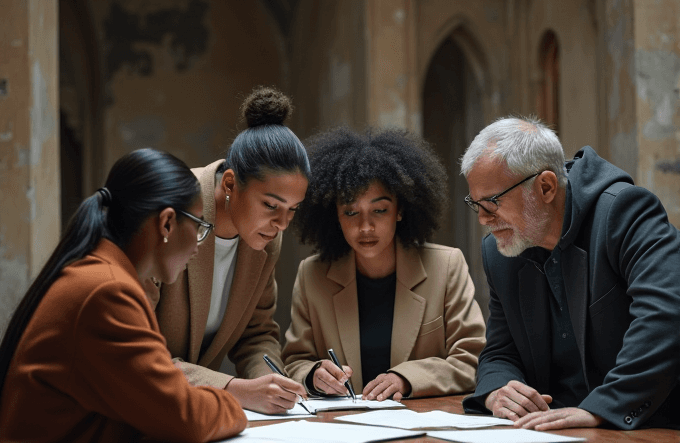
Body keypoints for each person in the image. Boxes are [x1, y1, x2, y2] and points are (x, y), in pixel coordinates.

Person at [0, 149, 246, 443]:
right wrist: (234, 405)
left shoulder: (102, 273)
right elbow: (186, 417)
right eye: (199, 226)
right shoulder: (108, 292)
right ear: (167, 223)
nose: (197, 245)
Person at [460, 116, 680, 431]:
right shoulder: (499, 253)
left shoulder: (623, 212)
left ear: (546, 187)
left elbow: (666, 316)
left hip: (642, 427)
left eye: (492, 202)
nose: (483, 219)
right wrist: (498, 389)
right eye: (475, 204)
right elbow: (499, 350)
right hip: (545, 431)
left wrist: (601, 408)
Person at [282, 126, 486, 401]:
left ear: (400, 210)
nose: (365, 226)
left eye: (380, 210)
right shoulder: (312, 275)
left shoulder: (446, 266)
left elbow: (472, 360)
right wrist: (314, 375)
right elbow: (295, 362)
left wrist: (405, 379)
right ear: (336, 216)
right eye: (351, 212)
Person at [150, 87, 309, 414]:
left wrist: (275, 385)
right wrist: (235, 389)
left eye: (293, 209)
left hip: (190, 412)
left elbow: (256, 334)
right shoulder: (170, 215)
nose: (282, 224)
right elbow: (135, 353)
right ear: (230, 185)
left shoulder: (266, 237)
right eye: (270, 205)